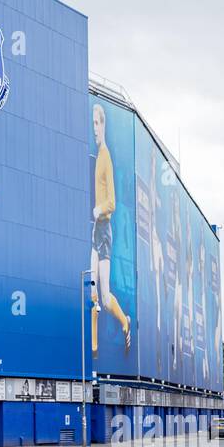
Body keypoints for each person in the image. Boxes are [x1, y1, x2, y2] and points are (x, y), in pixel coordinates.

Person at [91, 103, 131, 355]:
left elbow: (112, 203)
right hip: (97, 229)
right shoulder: (98, 156)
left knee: (104, 299)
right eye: (92, 123)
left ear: (104, 125)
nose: (94, 129)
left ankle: (124, 321)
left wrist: (99, 210)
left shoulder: (105, 157)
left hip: (104, 229)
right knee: (91, 291)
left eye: (98, 123)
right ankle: (93, 347)